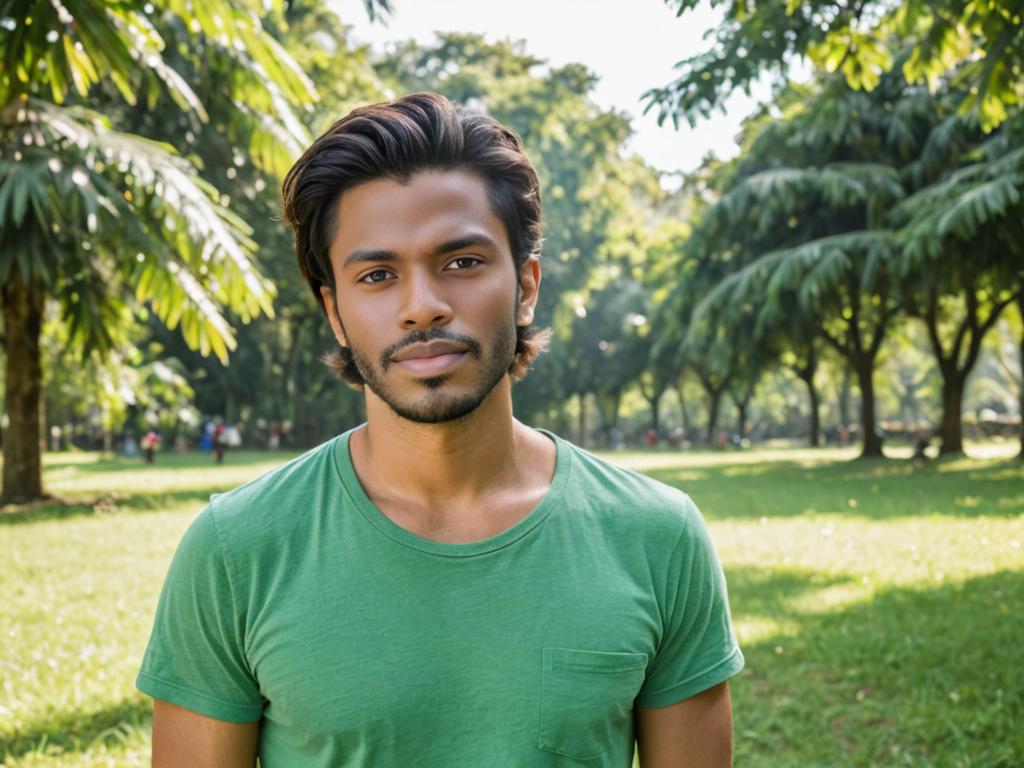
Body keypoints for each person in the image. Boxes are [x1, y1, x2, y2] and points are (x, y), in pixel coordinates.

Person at [137, 93, 743, 767]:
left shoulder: (657, 537)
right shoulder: (236, 551)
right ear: (334, 312)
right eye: (377, 275)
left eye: (462, 262)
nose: (421, 306)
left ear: (526, 286)